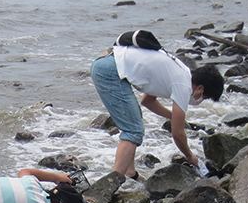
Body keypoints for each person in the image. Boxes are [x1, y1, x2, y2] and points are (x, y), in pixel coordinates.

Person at [90, 29, 225, 178]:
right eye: (204, 97)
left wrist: (173, 116)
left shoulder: (183, 72)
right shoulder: (184, 86)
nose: (200, 100)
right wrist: (191, 156)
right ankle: (112, 183)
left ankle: (130, 173)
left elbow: (147, 101)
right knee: (133, 130)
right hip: (109, 71)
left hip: (107, 63)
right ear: (200, 88)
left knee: (134, 121)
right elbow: (178, 133)